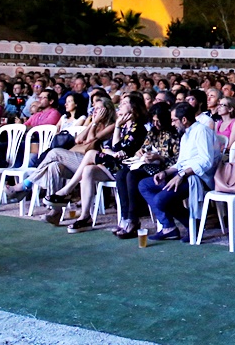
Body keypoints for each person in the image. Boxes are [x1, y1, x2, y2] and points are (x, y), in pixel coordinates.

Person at [3, 97, 117, 223]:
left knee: (55, 153)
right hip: (80, 162)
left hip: (95, 164)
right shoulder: (94, 123)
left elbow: (91, 140)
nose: (95, 112)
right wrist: (92, 123)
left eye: (99, 109)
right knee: (54, 166)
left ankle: (26, 184)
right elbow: (78, 140)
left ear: (107, 111)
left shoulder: (111, 125)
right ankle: (55, 211)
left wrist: (94, 122)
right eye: (94, 109)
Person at [45, 94, 147, 233]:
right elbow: (109, 149)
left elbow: (118, 150)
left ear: (133, 109)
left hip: (125, 169)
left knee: (91, 154)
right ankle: (84, 216)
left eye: (124, 103)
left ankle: (66, 191)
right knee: (88, 170)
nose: (120, 105)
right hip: (113, 165)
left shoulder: (138, 128)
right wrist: (114, 141)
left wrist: (116, 129)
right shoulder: (123, 127)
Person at [138, 100, 221, 241]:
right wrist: (166, 172)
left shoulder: (201, 131)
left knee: (160, 200)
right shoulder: (186, 134)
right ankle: (168, 227)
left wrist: (181, 175)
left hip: (198, 177)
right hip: (183, 173)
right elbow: (180, 162)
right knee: (144, 185)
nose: (172, 123)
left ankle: (193, 224)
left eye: (174, 120)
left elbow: (206, 161)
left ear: (184, 119)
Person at [113, 102, 181, 237]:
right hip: (149, 164)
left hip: (165, 168)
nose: (156, 124)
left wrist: (159, 157)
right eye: (154, 121)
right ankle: (125, 217)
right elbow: (144, 147)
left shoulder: (174, 134)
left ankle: (133, 219)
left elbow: (178, 159)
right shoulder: (153, 132)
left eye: (158, 121)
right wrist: (141, 152)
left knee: (132, 176)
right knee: (121, 174)